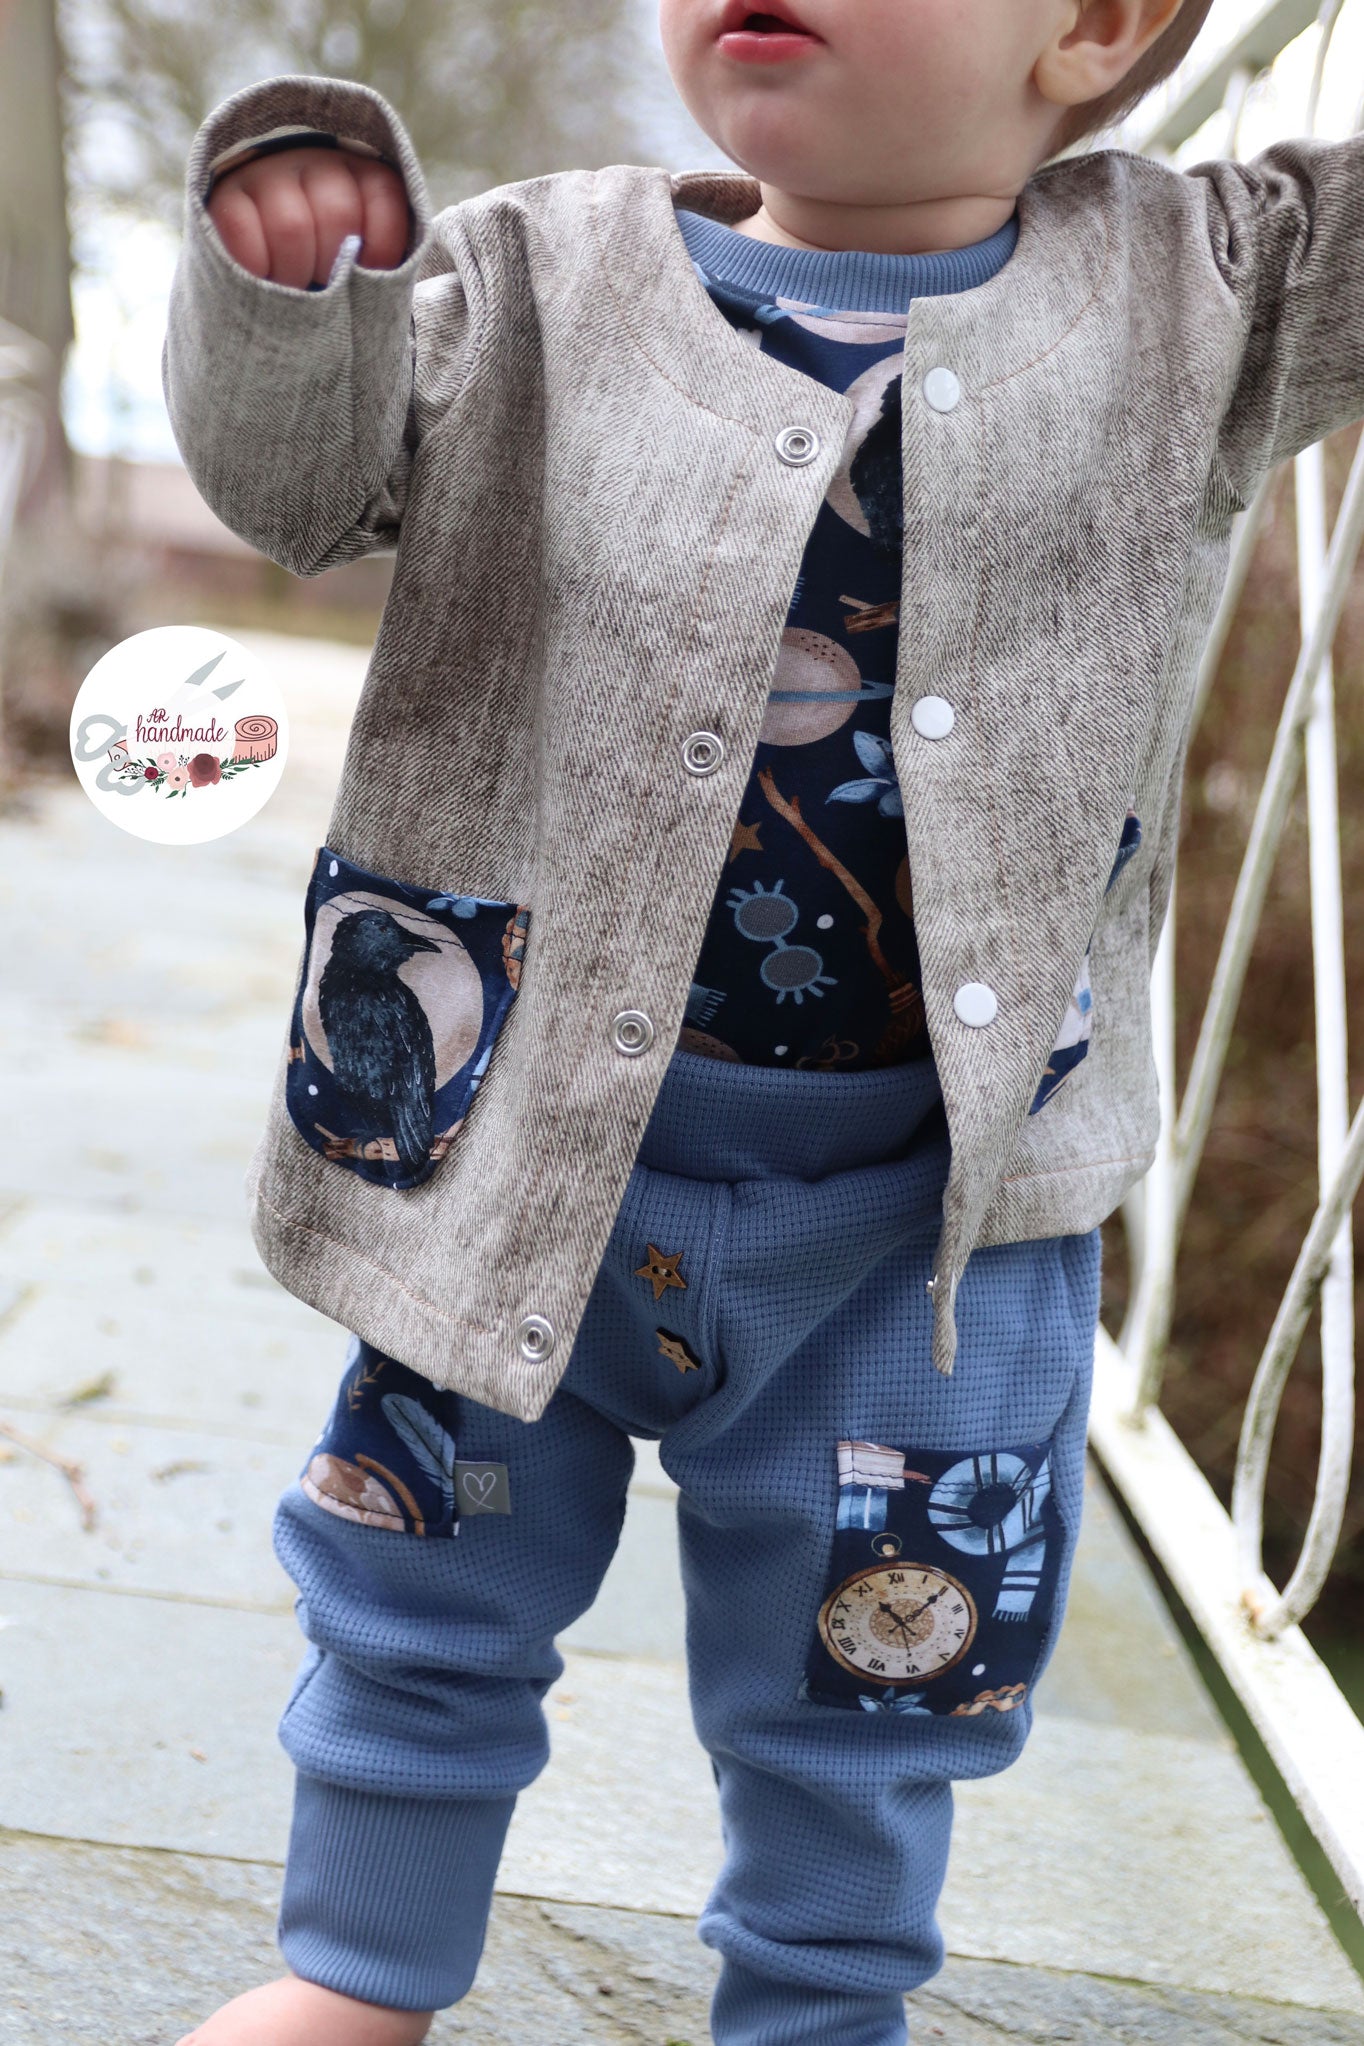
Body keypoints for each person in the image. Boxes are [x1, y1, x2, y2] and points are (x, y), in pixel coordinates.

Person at [166, 2, 1364, 2040]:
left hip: (925, 1233)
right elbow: (296, 489)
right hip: (512, 1139)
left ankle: (816, 2011)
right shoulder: (540, 275)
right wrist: (297, 281)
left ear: (1093, 27)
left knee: (876, 1681)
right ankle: (355, 1973)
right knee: (415, 1587)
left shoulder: (1207, 288)